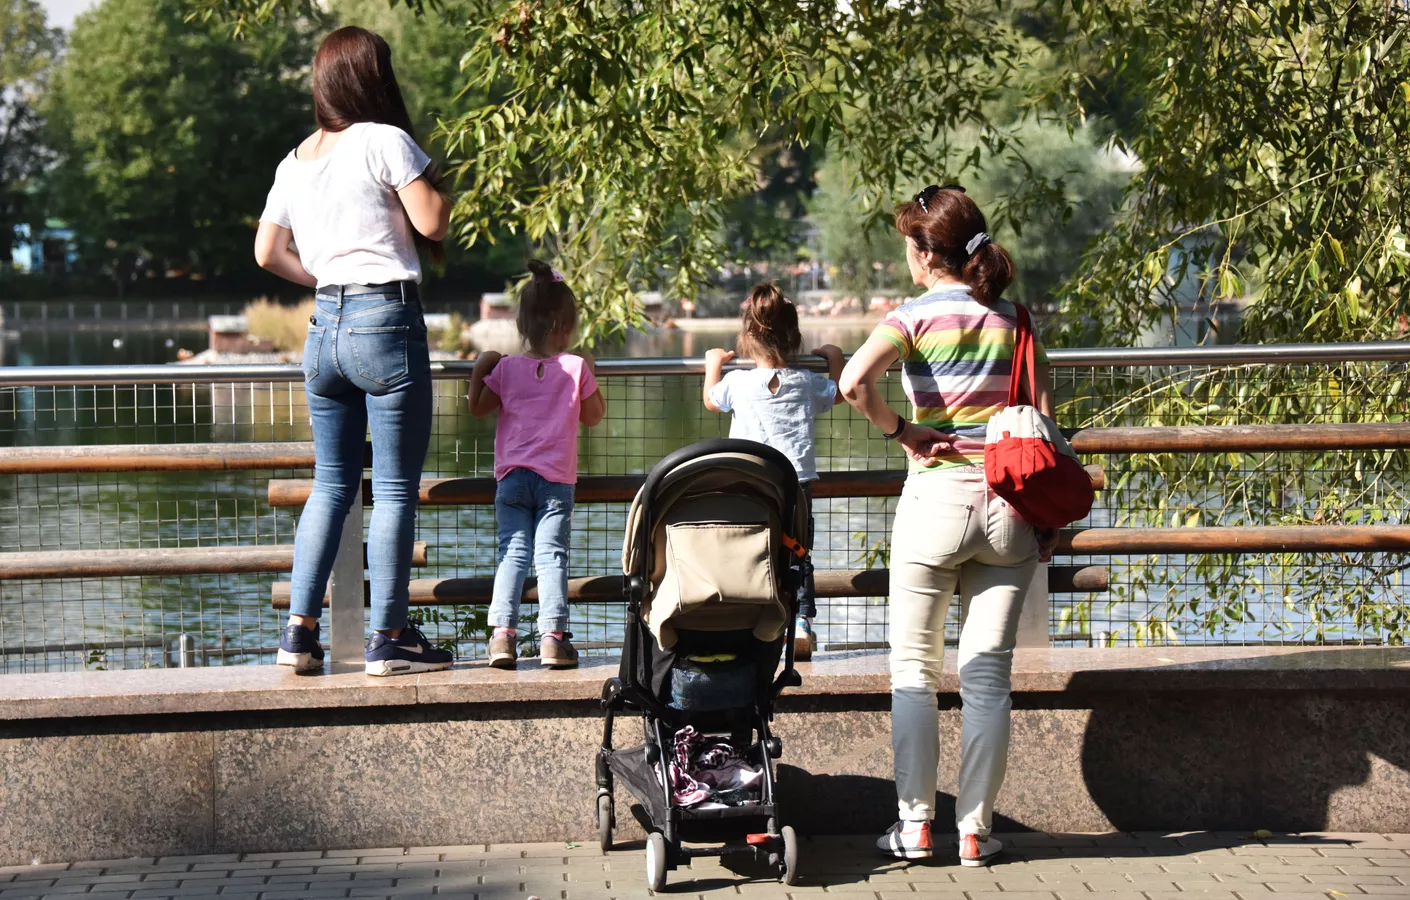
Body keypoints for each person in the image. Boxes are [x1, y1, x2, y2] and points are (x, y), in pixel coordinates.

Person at [838, 185, 1058, 866]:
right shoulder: (1017, 320)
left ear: (926, 253)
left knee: (914, 671)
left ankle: (914, 828)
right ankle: (974, 833)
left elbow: (853, 382)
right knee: (987, 677)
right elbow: (1044, 418)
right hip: (1010, 509)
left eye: (907, 245)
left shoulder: (910, 319)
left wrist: (902, 431)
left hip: (936, 503)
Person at [255, 26, 453, 677]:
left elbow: (266, 252)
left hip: (324, 329)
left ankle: (298, 633)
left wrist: (325, 277)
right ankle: (390, 637)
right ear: (373, 78)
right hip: (385, 321)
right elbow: (432, 221)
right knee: (393, 490)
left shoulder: (295, 161)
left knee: (331, 486)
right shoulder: (383, 140)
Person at [467, 260, 606, 670]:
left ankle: (502, 636)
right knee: (551, 556)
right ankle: (553, 639)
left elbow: (477, 408)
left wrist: (480, 369)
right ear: (568, 326)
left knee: (511, 553)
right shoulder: (575, 367)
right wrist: (590, 371)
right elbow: (594, 416)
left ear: (521, 324)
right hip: (556, 482)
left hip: (512, 478)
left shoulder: (506, 368)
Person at [702, 281, 845, 661]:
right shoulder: (807, 382)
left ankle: (748, 619)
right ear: (794, 336)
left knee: (750, 548)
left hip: (747, 483)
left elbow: (711, 401)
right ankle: (801, 623)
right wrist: (834, 357)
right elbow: (841, 391)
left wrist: (713, 363)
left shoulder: (736, 382)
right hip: (795, 484)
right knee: (798, 552)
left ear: (747, 337)